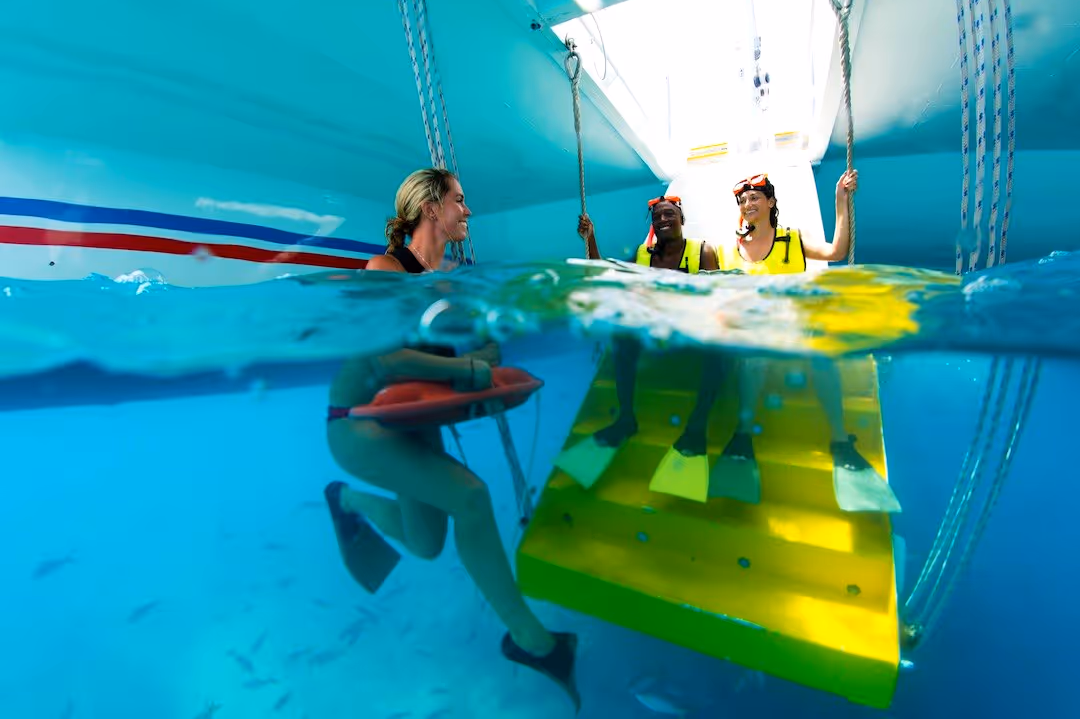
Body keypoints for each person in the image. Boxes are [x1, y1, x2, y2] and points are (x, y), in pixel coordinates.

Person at [322, 168, 580, 711]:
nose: (468, 210)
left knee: (426, 544)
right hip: (358, 423)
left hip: (411, 422)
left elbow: (482, 352)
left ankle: (345, 501)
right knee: (470, 497)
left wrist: (481, 355)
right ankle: (532, 642)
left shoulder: (456, 279)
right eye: (460, 200)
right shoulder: (385, 270)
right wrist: (468, 367)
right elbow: (386, 359)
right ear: (431, 208)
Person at [711, 170, 901, 513]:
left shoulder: (792, 239)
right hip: (757, 337)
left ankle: (840, 441)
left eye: (755, 197)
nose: (748, 203)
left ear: (771, 202)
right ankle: (742, 436)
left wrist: (840, 200)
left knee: (819, 347)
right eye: (743, 200)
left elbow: (837, 251)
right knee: (754, 354)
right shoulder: (731, 249)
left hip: (794, 333)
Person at [560, 196, 726, 500]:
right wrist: (591, 237)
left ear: (681, 219)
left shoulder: (703, 252)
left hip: (691, 338)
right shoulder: (643, 255)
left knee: (720, 345)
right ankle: (626, 419)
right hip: (658, 339)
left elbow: (716, 301)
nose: (662, 220)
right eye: (657, 217)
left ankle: (696, 427)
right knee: (622, 334)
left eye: (669, 214)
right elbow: (605, 272)